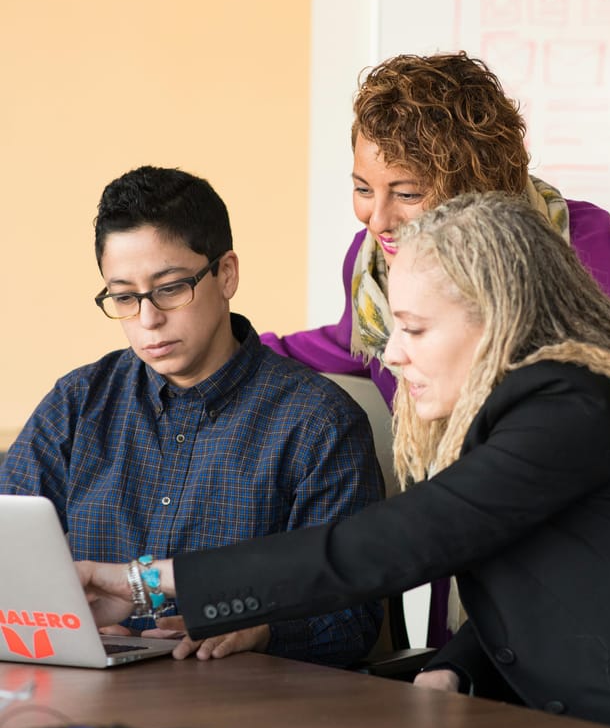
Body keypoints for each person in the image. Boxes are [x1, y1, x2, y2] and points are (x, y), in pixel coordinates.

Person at [78, 192, 610, 728]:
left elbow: (395, 543)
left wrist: (146, 580)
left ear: (497, 317)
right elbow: (556, 575)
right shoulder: (525, 415)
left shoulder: (573, 404)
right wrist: (456, 664)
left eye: (415, 330)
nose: (391, 355)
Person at [259, 51, 610, 647]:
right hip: (485, 601)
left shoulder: (599, 261)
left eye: (406, 193)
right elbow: (350, 343)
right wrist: (232, 348)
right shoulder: (377, 271)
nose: (377, 219)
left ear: (475, 185)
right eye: (363, 188)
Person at [0, 165, 383, 666]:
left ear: (226, 273)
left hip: (244, 706)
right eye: (123, 297)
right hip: (85, 695)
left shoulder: (317, 423)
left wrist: (263, 630)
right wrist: (59, 623)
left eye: (170, 287)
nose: (148, 318)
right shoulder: (78, 403)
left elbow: (352, 619)